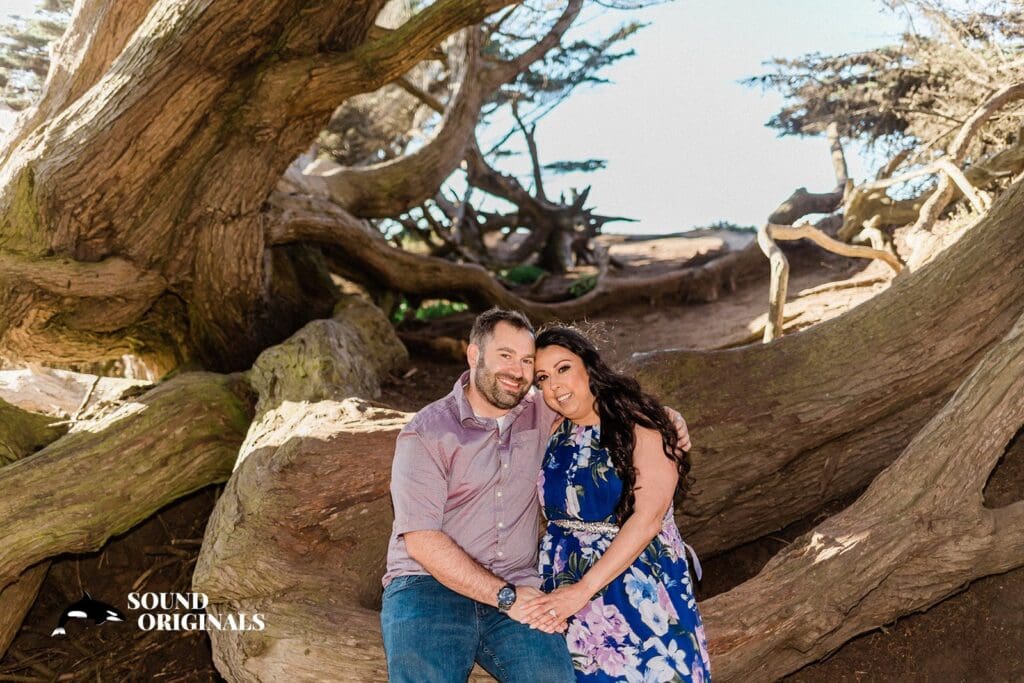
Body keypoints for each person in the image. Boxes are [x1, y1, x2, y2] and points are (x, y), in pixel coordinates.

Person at [381, 308, 691, 683]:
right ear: (474, 355)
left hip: (519, 585)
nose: (517, 371)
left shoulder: (542, 408)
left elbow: (597, 401)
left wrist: (665, 418)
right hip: (429, 585)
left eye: (527, 361)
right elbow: (422, 541)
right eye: (505, 356)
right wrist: (506, 596)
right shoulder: (427, 434)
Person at [520, 325, 711, 682]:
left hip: (636, 578)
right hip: (561, 580)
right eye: (542, 378)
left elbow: (649, 519)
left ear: (589, 367)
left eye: (563, 369)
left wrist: (581, 592)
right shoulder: (553, 430)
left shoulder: (641, 425)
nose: (554, 386)